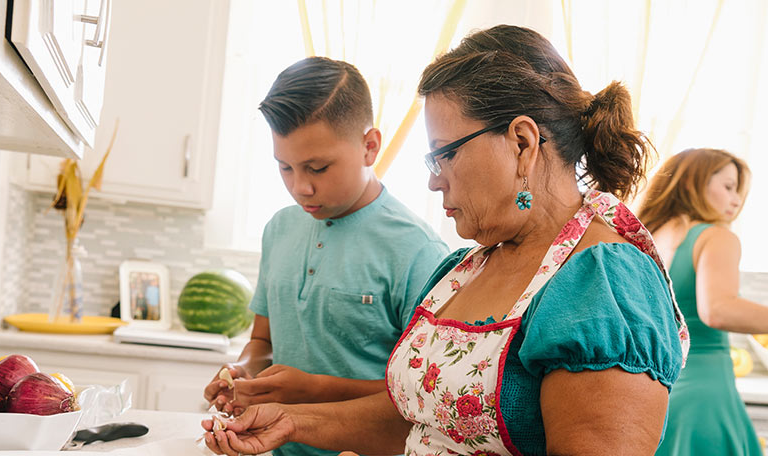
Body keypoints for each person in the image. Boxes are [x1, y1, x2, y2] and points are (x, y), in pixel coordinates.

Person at [202, 25, 689, 456]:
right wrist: (292, 421)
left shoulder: (603, 282)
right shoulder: (467, 268)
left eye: (444, 155)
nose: (435, 181)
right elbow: (418, 421)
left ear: (522, 143)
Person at [200, 56, 450, 456]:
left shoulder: (421, 252)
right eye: (285, 168)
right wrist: (245, 372)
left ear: (370, 146)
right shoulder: (279, 229)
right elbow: (263, 339)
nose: (301, 188)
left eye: (317, 167)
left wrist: (311, 390)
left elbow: (423, 399)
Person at [640, 148, 768, 456]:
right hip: (704, 395)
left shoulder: (646, 237)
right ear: (691, 183)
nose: (737, 200)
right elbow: (718, 310)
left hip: (653, 394)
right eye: (728, 187)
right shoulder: (715, 236)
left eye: (739, 191)